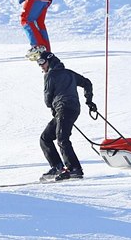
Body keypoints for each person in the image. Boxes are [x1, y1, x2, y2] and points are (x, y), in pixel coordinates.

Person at [36, 51, 97, 180]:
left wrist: (52, 106)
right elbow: (87, 83)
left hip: (64, 109)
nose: (40, 66)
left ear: (49, 61)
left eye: (42, 62)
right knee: (45, 137)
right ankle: (57, 167)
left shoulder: (50, 75)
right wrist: (89, 100)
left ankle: (74, 169)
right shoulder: (69, 73)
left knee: (62, 138)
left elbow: (47, 99)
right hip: (70, 109)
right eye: (38, 63)